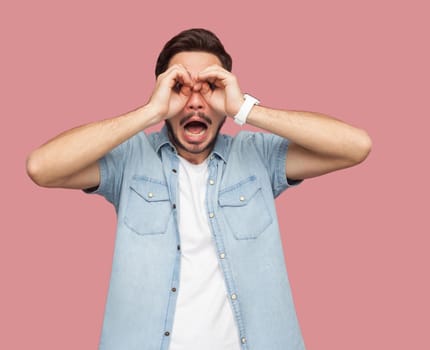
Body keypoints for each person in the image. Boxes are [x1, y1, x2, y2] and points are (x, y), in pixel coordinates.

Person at [26, 28, 371, 350]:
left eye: (209, 87)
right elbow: (42, 167)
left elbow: (355, 146)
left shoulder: (257, 156)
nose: (194, 102)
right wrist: (150, 112)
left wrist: (243, 108)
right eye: (180, 87)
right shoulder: (130, 159)